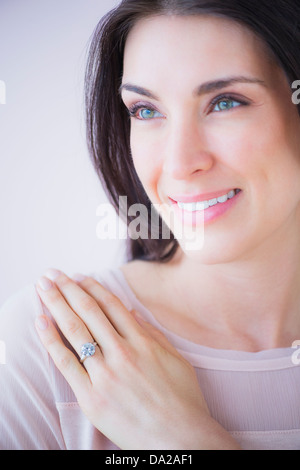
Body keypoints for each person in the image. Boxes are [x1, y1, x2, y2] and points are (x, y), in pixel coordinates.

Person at [1, 0, 300, 450]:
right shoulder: (46, 346)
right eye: (145, 111)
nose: (179, 164)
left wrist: (190, 440)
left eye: (225, 102)